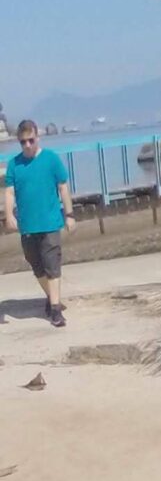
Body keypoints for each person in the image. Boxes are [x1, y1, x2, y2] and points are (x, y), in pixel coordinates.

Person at [4, 119, 75, 326]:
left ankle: (55, 310)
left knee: (52, 265)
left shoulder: (51, 159)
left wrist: (69, 215)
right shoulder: (14, 164)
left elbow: (63, 187)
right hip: (27, 225)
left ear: (37, 138)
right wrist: (9, 215)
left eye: (31, 140)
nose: (27, 145)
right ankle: (52, 297)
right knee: (37, 266)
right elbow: (9, 192)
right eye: (23, 142)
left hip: (50, 222)